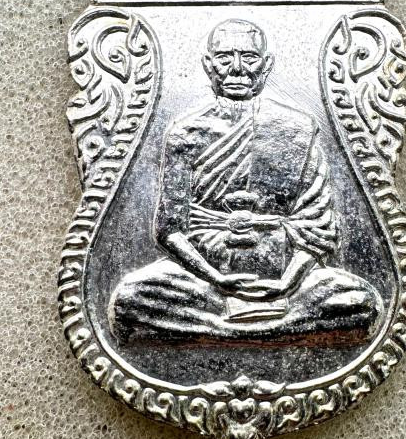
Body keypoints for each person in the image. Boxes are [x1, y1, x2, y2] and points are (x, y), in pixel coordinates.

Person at [109, 19, 382, 345]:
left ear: (265, 66)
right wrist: (216, 279)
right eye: (225, 58)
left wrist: (288, 283)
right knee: (129, 299)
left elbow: (317, 225)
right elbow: (170, 230)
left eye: (249, 57)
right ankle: (274, 331)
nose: (237, 68)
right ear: (209, 65)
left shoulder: (296, 128)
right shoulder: (185, 134)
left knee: (359, 301)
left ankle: (217, 332)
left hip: (283, 272)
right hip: (203, 278)